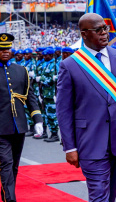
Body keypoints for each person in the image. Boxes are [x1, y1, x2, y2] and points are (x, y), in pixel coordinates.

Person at [56, 13, 116, 202]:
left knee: (111, 195)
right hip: (90, 142)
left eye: (105, 28)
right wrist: (69, 147)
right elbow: (64, 110)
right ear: (84, 34)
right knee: (99, 195)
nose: (104, 33)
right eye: (98, 30)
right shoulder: (70, 65)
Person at [0, 33, 43, 202]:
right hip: (0, 129)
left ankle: (7, 193)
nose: (5, 52)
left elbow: (30, 97)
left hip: (19, 126)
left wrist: (38, 119)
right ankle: (10, 199)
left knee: (14, 166)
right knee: (6, 164)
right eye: (1, 49)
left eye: (7, 49)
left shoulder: (21, 71)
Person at [37, 48, 59, 142]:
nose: (44, 57)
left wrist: (41, 79)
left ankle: (55, 134)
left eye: (46, 55)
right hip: (45, 94)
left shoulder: (54, 65)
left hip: (51, 94)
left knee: (52, 115)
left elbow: (54, 79)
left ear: (51, 55)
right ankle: (50, 133)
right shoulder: (47, 64)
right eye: (44, 55)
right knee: (46, 114)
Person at [23, 48, 37, 137]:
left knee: (34, 108)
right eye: (25, 54)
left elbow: (34, 76)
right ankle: (31, 127)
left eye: (27, 54)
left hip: (33, 89)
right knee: (27, 109)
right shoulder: (25, 63)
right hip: (26, 89)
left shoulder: (33, 63)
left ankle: (34, 128)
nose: (25, 56)